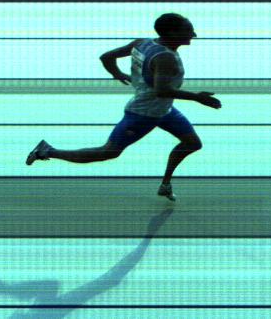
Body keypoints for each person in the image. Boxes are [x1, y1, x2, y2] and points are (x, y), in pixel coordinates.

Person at [26, 13, 220, 201]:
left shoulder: (142, 43)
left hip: (164, 110)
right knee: (108, 152)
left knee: (192, 143)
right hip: (143, 114)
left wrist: (117, 74)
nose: (194, 34)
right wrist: (197, 98)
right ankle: (47, 151)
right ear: (171, 33)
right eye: (188, 30)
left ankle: (165, 185)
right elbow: (162, 90)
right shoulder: (165, 58)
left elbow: (106, 57)